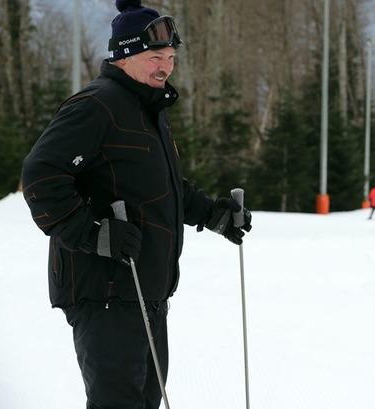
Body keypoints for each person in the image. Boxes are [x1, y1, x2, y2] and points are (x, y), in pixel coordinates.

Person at [21, 1, 251, 408]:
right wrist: (92, 232)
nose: (165, 67)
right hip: (105, 287)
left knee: (145, 399)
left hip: (145, 288)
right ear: (123, 56)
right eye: (154, 57)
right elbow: (41, 176)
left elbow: (161, 186)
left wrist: (213, 214)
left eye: (171, 57)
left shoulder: (148, 110)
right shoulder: (96, 105)